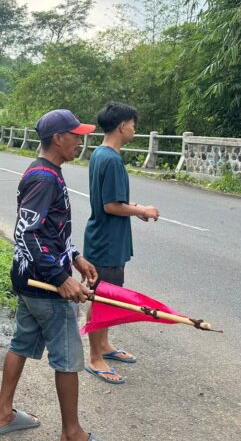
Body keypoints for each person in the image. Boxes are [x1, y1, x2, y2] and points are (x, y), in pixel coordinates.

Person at [0, 109, 104, 441]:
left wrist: (77, 259)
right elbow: (28, 233)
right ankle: (72, 432)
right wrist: (61, 277)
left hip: (32, 280)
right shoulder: (44, 178)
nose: (80, 142)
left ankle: (3, 414)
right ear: (58, 138)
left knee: (21, 343)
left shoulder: (49, 172)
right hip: (45, 286)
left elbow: (52, 230)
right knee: (68, 357)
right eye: (76, 135)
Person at [83, 102, 160, 385]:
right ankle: (94, 357)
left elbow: (114, 202)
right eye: (133, 124)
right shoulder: (112, 160)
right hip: (106, 242)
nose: (134, 128)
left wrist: (136, 206)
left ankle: (103, 345)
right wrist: (141, 210)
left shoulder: (101, 154)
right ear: (122, 126)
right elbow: (111, 205)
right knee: (100, 297)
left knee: (108, 295)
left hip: (105, 239)